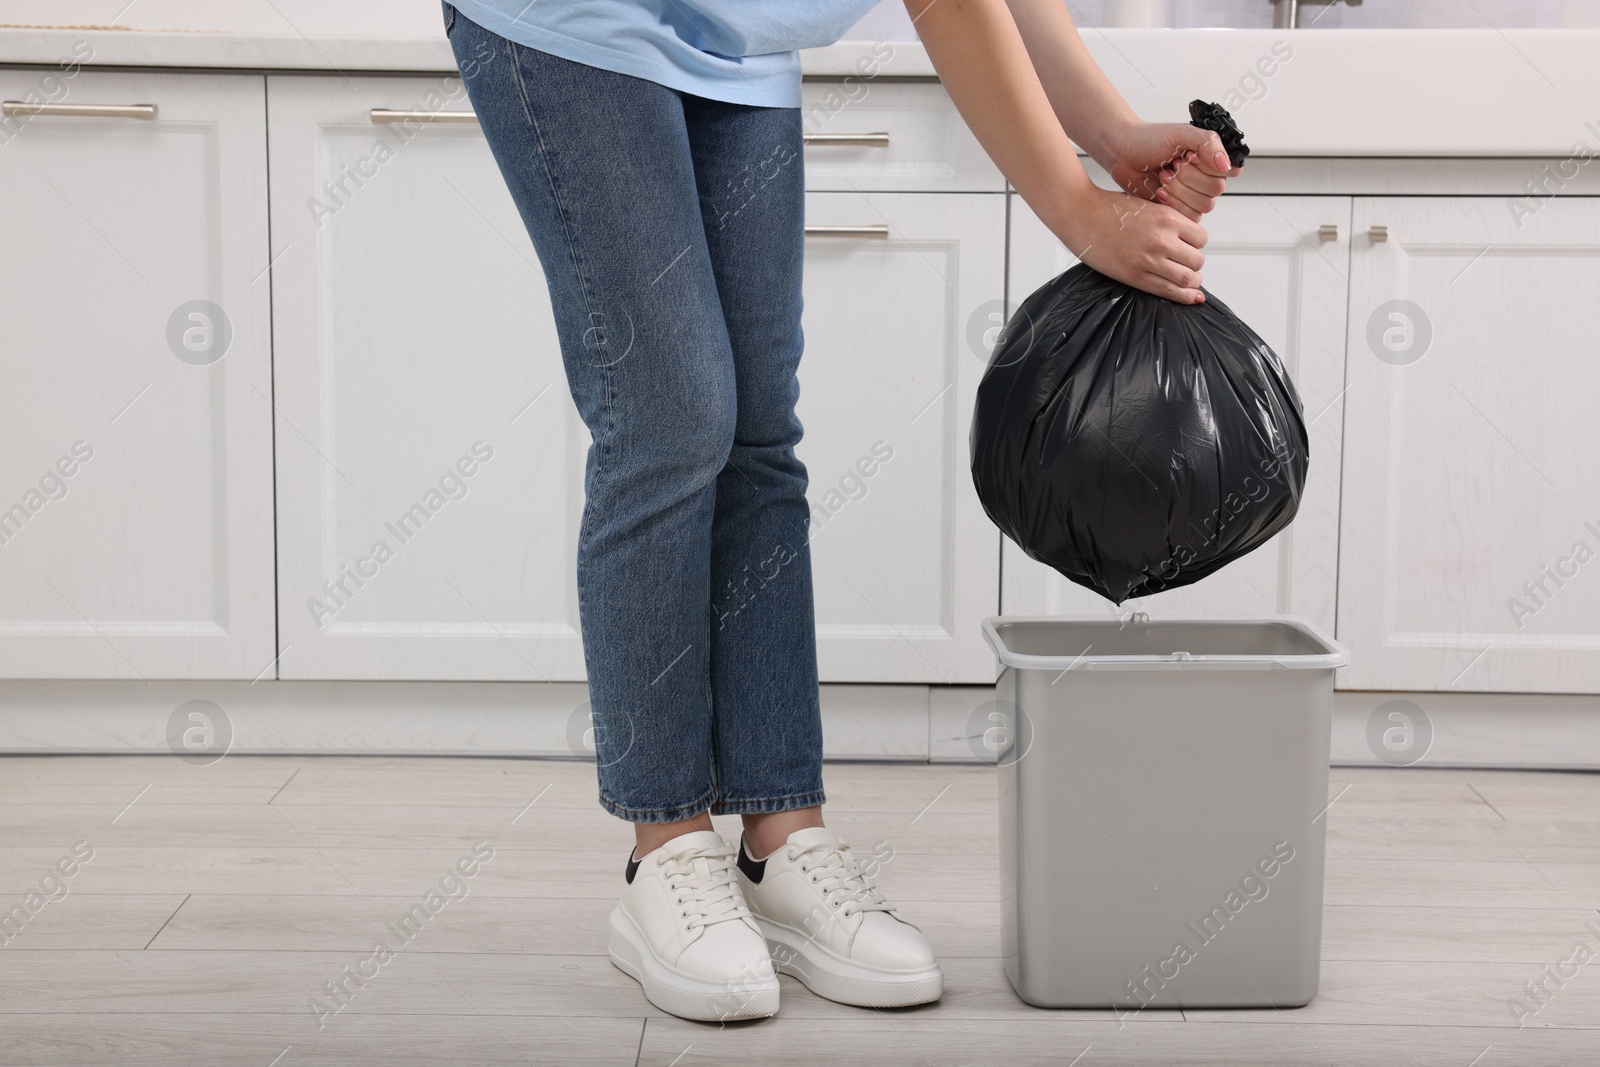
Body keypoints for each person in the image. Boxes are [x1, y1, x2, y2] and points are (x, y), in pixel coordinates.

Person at [442, 0, 1238, 1022]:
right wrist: (1078, 209)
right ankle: (666, 850)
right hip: (571, 24)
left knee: (759, 435)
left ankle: (781, 840)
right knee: (670, 420)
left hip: (735, 40)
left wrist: (1109, 131)